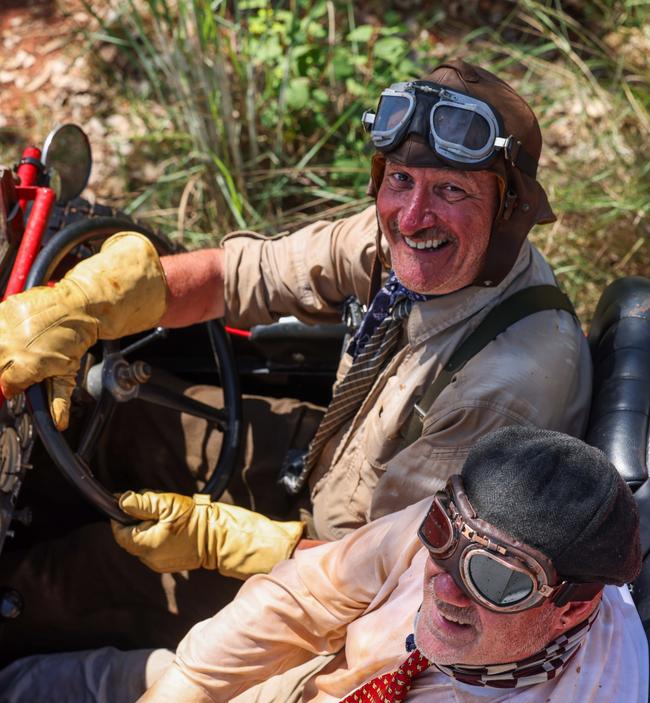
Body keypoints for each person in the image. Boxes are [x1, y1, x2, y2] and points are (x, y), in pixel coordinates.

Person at [0, 59, 592, 657]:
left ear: (509, 210)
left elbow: (396, 582)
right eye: (401, 180)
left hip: (333, 595)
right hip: (318, 466)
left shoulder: (504, 386)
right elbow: (235, 277)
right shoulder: (408, 240)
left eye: (452, 190)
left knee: (64, 580)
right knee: (122, 420)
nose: (413, 218)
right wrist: (85, 303)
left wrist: (221, 544)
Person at [0, 426, 646, 703]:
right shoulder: (492, 525)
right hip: (313, 700)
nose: (444, 584)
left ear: (574, 606)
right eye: (440, 533)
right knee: (84, 689)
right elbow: (302, 595)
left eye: (496, 579)